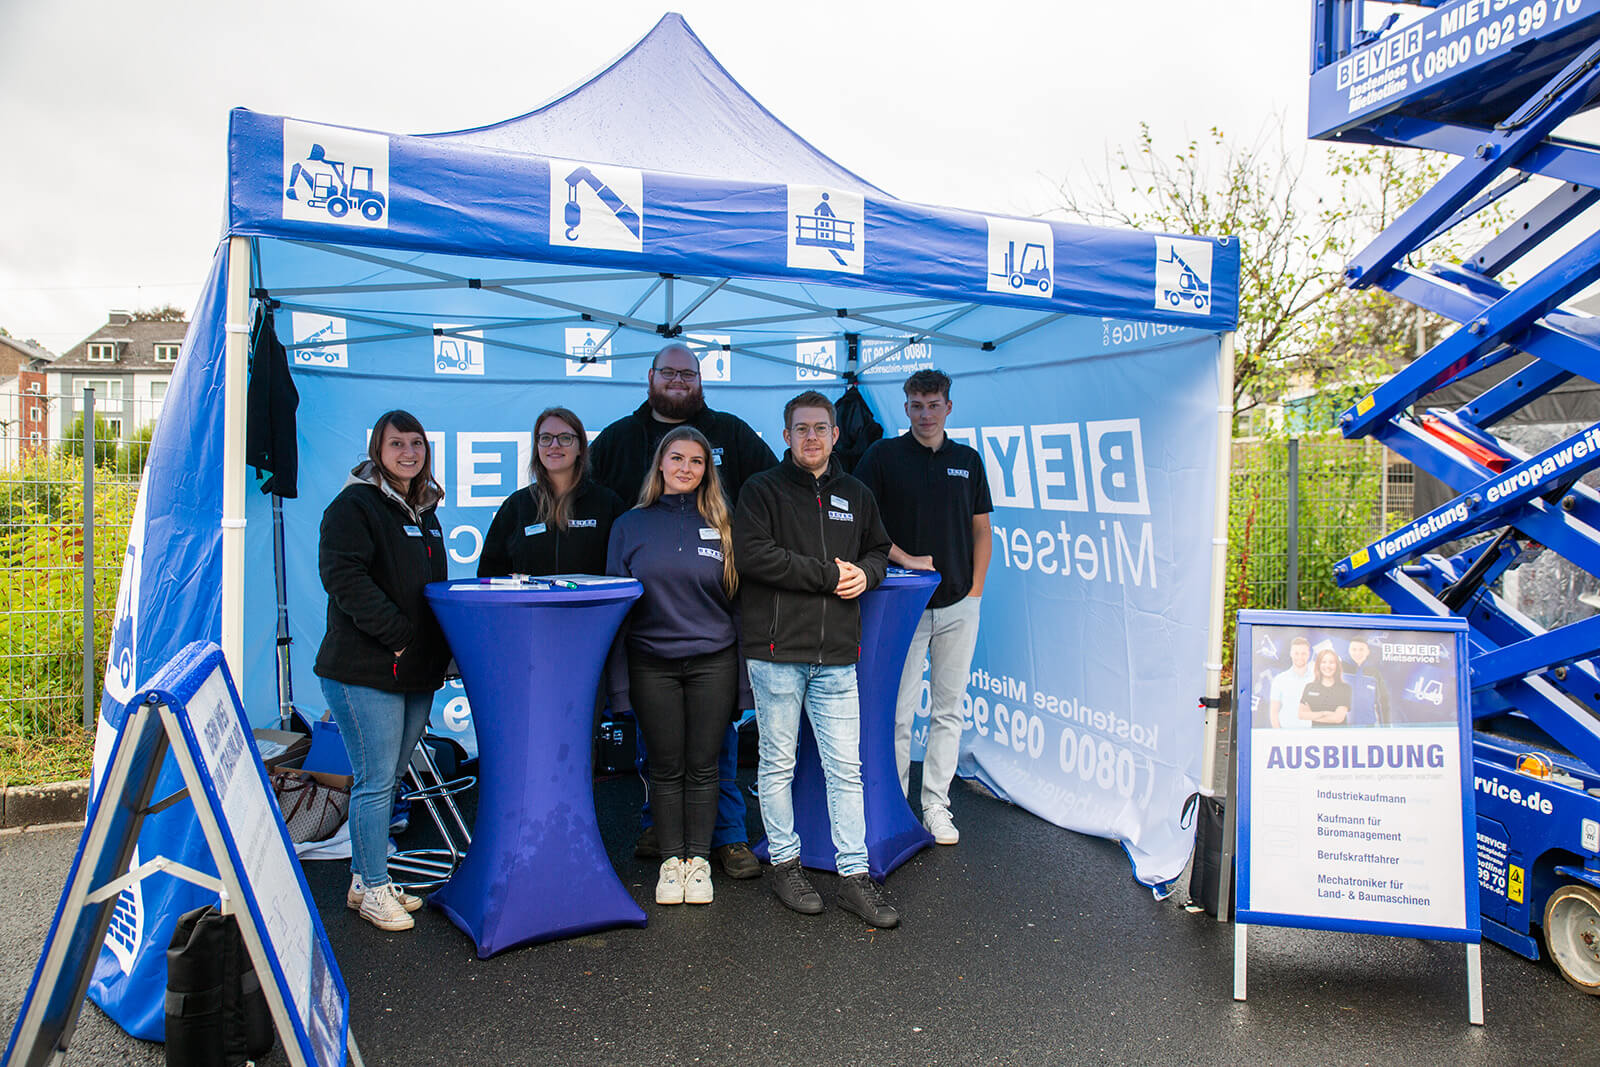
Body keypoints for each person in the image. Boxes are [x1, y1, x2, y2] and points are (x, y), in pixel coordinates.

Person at [591, 341, 777, 880]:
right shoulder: (619, 444)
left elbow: (770, 493)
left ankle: (728, 836)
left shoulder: (734, 435)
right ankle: (664, 833)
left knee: (714, 750)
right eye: (668, 372)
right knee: (661, 754)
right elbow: (596, 506)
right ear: (650, 376)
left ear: (700, 379)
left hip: (711, 645)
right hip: (652, 646)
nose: (678, 380)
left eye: (687, 373)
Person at [734, 390, 899, 928]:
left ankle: (855, 877)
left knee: (844, 770)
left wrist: (868, 574)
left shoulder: (856, 492)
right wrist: (832, 576)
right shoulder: (761, 490)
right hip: (777, 654)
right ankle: (785, 864)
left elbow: (878, 549)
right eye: (801, 428)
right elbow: (756, 557)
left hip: (835, 658)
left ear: (834, 434)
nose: (811, 437)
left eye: (820, 428)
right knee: (777, 767)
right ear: (786, 436)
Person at [315, 410, 452, 932]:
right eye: (397, 444)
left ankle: (364, 876)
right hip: (365, 671)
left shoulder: (425, 510)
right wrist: (399, 638)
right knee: (374, 781)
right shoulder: (354, 506)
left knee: (391, 776)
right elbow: (343, 579)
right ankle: (374, 888)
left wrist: (438, 651)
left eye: (416, 443)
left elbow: (429, 590)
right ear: (378, 449)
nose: (409, 452)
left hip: (415, 672)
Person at [854, 368, 992, 846]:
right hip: (902, 606)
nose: (925, 413)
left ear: (948, 407)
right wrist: (906, 561)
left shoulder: (968, 461)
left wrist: (974, 591)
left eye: (934, 405)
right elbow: (865, 525)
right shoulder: (882, 456)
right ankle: (892, 805)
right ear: (906, 406)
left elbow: (982, 530)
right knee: (898, 712)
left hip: (958, 605)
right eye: (916, 404)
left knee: (948, 711)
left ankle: (936, 804)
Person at [606, 427, 743, 906]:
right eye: (677, 458)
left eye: (697, 461)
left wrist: (742, 689)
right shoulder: (629, 525)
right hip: (651, 664)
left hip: (714, 662)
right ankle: (670, 863)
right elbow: (615, 612)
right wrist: (618, 689)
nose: (686, 468)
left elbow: (739, 607)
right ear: (660, 464)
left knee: (705, 766)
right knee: (665, 768)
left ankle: (699, 863)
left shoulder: (724, 522)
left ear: (708, 470)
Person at [478, 406, 626, 578]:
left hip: (591, 605)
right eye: (546, 438)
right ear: (537, 446)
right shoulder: (517, 505)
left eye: (565, 438)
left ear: (580, 448)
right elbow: (489, 573)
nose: (554, 445)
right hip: (532, 605)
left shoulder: (607, 504)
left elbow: (623, 571)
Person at [1267, 636, 1314, 729]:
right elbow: (1274, 712)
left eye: (1303, 653)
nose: (1300, 657)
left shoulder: (1316, 678)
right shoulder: (1280, 680)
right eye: (1296, 653)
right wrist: (1279, 734)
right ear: (1291, 654)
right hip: (1286, 735)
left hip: (1312, 734)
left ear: (1309, 654)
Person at [1299, 648, 1352, 728]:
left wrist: (1311, 715)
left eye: (1331, 662)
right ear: (1318, 665)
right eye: (1323, 662)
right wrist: (1324, 713)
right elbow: (1301, 714)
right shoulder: (1310, 687)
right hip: (1316, 736)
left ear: (1337, 666)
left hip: (1339, 737)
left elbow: (1338, 718)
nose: (1327, 666)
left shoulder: (1345, 688)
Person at [1345, 636, 1390, 724]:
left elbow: (1383, 700)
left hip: (1369, 727)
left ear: (1368, 652)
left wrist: (1385, 726)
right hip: (1345, 726)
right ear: (1349, 651)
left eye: (1361, 649)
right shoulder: (1342, 669)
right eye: (1354, 649)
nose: (1357, 653)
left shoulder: (1374, 673)